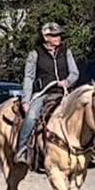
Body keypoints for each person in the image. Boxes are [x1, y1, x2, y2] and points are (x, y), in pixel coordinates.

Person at [14, 21, 79, 165]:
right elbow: (29, 78)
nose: (58, 38)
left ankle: (88, 149)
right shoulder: (35, 54)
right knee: (31, 117)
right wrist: (26, 100)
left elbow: (75, 73)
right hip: (43, 93)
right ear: (46, 37)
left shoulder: (66, 52)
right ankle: (22, 149)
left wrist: (67, 82)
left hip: (65, 92)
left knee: (83, 112)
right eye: (54, 35)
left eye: (59, 35)